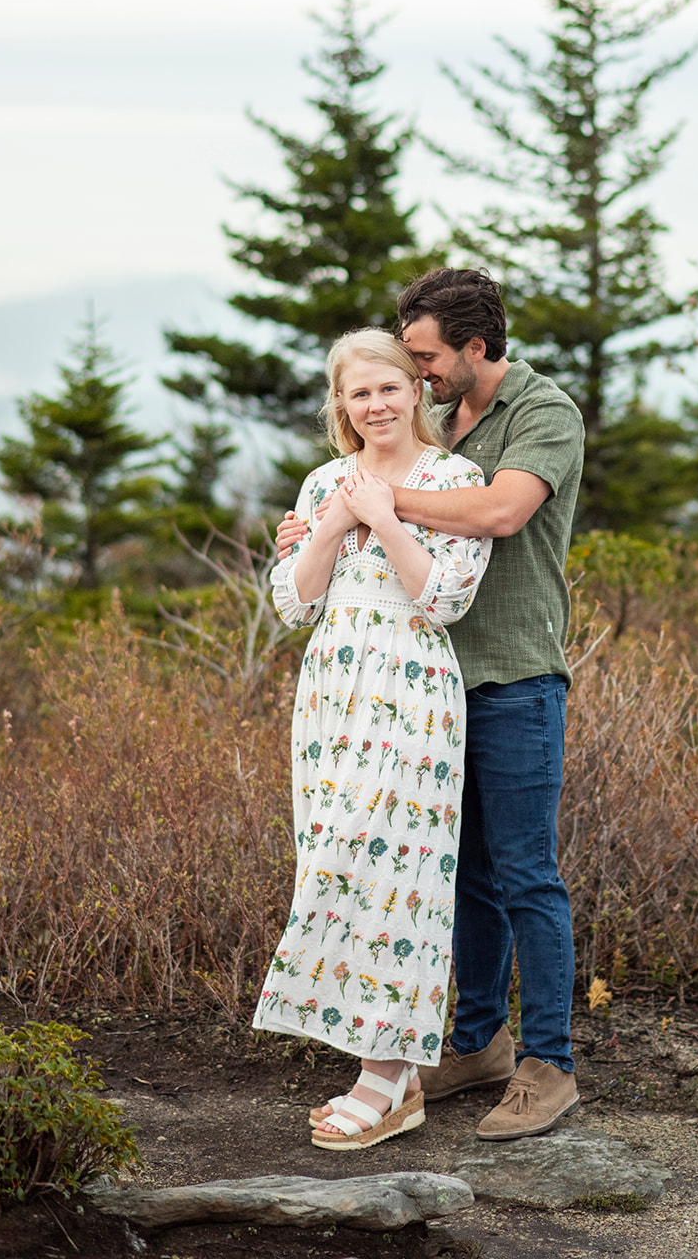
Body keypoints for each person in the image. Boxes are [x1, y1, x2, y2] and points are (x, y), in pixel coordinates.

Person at [278, 269, 584, 1141]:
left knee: (526, 873)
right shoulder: (441, 418)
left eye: (423, 358)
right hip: (425, 688)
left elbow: (494, 513)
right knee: (460, 881)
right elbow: (356, 511)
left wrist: (362, 505)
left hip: (513, 675)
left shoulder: (540, 412)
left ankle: (549, 1066)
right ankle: (479, 1041)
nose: (412, 375)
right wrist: (319, 523)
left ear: (473, 349)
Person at [254, 327, 491, 1151]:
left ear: (415, 390)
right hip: (330, 697)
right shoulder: (325, 479)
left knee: (395, 870)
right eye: (360, 394)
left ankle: (384, 1076)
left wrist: (384, 519)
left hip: (412, 692)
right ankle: (392, 1065)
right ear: (341, 406)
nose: (377, 404)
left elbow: (447, 600)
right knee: (335, 865)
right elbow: (293, 603)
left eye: (389, 388)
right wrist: (329, 525)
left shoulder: (456, 479)